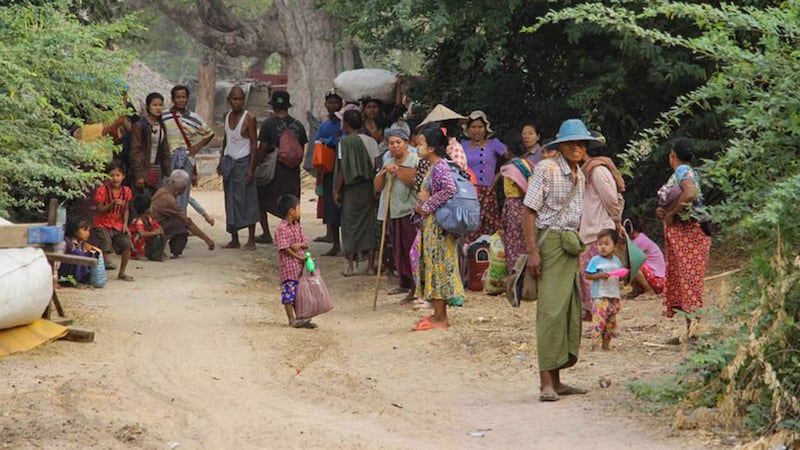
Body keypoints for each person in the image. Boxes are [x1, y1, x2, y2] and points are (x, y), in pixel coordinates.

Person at [523, 118, 600, 402]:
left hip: (570, 243)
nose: (577, 147)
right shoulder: (547, 168)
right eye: (572, 143)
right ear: (561, 146)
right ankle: (545, 381)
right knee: (550, 312)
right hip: (550, 242)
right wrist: (532, 250)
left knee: (568, 310)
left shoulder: (579, 173)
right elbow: (529, 211)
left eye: (582, 143)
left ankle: (557, 380)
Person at [655, 138, 711, 336]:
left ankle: (694, 331)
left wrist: (671, 213)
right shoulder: (686, 172)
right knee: (685, 281)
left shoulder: (682, 171)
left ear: (672, 155)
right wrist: (666, 210)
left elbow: (690, 193)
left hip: (689, 232)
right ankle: (690, 331)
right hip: (685, 232)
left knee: (689, 281)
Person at [412, 124, 463, 331]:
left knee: (439, 267)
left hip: (438, 227)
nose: (417, 148)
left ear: (431, 147)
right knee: (434, 266)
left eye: (421, 144)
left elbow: (449, 189)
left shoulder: (440, 166)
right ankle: (437, 313)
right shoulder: (434, 166)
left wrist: (427, 204)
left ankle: (441, 317)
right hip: (432, 225)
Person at [578, 132, 626, 320]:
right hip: (592, 230)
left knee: (595, 279)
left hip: (598, 230)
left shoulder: (597, 171)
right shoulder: (591, 169)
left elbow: (610, 199)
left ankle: (601, 319)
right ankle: (595, 317)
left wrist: (616, 220)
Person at [255, 91, 308, 244]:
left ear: (272, 106)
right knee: (292, 202)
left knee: (262, 200)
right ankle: (295, 236)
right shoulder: (298, 125)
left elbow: (262, 148)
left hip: (275, 171)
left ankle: (266, 234)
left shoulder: (268, 124)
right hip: (292, 172)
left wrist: (256, 163)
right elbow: (301, 152)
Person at [374, 127, 419, 302]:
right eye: (391, 143)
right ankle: (406, 284)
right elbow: (377, 187)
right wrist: (384, 171)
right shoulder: (388, 160)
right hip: (394, 212)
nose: (394, 146)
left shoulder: (415, 160)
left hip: (411, 212)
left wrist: (398, 171)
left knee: (412, 250)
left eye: (398, 142)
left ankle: (416, 287)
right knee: (399, 252)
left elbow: (413, 182)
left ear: (406, 143)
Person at [334, 109, 377, 276]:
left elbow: (343, 169)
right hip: (368, 187)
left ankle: (350, 265)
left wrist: (336, 190)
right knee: (368, 224)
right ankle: (371, 266)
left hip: (351, 189)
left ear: (345, 124)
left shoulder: (344, 142)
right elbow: (376, 164)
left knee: (350, 225)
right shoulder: (371, 141)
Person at [161, 84, 215, 212]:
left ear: (187, 98)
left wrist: (196, 148)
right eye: (178, 97)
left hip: (186, 158)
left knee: (182, 191)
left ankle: (180, 220)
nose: (181, 100)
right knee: (166, 188)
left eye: (183, 97)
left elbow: (209, 134)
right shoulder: (164, 116)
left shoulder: (194, 118)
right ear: (173, 99)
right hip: (168, 157)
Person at [218, 85, 259, 250]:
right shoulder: (225, 116)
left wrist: (251, 168)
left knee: (248, 199)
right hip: (230, 161)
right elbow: (226, 139)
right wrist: (221, 160)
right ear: (229, 100)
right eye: (234, 99)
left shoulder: (249, 118)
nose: (238, 102)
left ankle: (251, 239)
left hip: (244, 161)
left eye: (240, 99)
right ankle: (234, 238)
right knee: (230, 199)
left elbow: (254, 143)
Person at [461, 110, 512, 242]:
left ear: (485, 129)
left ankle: (491, 259)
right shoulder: (463, 145)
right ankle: (470, 259)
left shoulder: (494, 144)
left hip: (488, 192)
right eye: (473, 127)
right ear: (468, 129)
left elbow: (512, 157)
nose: (477, 130)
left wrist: (499, 174)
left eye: (480, 127)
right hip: (469, 193)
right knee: (470, 226)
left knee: (491, 227)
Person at [273, 194, 317, 329]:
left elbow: (305, 241)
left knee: (299, 294)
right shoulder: (281, 229)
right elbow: (284, 248)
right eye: (298, 208)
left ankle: (300, 318)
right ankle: (291, 319)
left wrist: (300, 245)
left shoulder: (296, 226)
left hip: (299, 268)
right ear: (291, 211)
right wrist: (299, 257)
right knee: (289, 294)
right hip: (289, 268)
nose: (299, 211)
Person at [150, 169, 215, 258]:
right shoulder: (169, 200)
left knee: (178, 223)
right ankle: (169, 250)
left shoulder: (163, 190)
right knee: (180, 225)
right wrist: (207, 239)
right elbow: (188, 223)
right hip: (155, 225)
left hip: (153, 223)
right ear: (182, 188)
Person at [91, 159, 134, 281]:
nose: (115, 178)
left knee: (127, 245)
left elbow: (126, 209)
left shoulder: (126, 191)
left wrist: (125, 225)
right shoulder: (102, 191)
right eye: (112, 175)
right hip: (102, 223)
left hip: (118, 224)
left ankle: (122, 272)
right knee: (105, 245)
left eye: (118, 175)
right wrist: (112, 204)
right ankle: (100, 272)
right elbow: (100, 210)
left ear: (123, 176)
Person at [313, 91, 344, 255]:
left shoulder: (343, 123)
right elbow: (317, 141)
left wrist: (329, 141)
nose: (333, 106)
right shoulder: (324, 124)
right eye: (330, 103)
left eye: (336, 103)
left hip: (341, 168)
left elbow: (343, 141)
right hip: (327, 169)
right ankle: (335, 243)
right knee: (330, 207)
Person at [584, 228, 624, 351]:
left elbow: (619, 275)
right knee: (598, 322)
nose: (602, 247)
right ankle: (595, 345)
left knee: (610, 322)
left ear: (615, 246)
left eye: (606, 244)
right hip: (600, 296)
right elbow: (587, 275)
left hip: (613, 295)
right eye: (600, 244)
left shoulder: (617, 261)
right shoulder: (595, 260)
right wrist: (599, 275)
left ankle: (606, 344)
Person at [499, 133, 533, 273]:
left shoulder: (512, 169)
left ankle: (515, 274)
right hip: (524, 207)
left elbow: (522, 187)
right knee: (524, 241)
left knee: (514, 242)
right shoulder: (527, 163)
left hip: (515, 207)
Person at [129, 92, 171, 195]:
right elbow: (135, 151)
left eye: (160, 105)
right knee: (142, 203)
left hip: (157, 171)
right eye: (154, 105)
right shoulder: (139, 125)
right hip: (143, 170)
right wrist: (139, 175)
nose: (158, 108)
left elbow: (165, 150)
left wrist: (168, 172)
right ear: (148, 106)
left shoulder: (161, 126)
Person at [624, 216, 666, 298]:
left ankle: (649, 291)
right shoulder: (641, 238)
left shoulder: (639, 241)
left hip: (658, 280)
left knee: (634, 267)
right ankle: (637, 290)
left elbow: (630, 261)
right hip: (658, 280)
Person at [57, 217, 100, 287]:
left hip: (72, 275)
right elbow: (56, 262)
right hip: (63, 276)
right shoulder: (65, 243)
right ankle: (74, 281)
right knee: (78, 254)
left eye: (89, 231)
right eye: (85, 230)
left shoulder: (82, 244)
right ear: (75, 231)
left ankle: (84, 280)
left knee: (92, 253)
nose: (87, 233)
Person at [128, 193, 165, 261]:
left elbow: (157, 226)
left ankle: (154, 254)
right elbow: (142, 234)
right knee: (139, 237)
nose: (152, 207)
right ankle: (139, 254)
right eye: (151, 206)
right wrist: (155, 232)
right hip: (136, 243)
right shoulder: (138, 221)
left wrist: (159, 230)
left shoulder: (149, 219)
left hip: (146, 242)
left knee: (160, 236)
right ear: (147, 209)